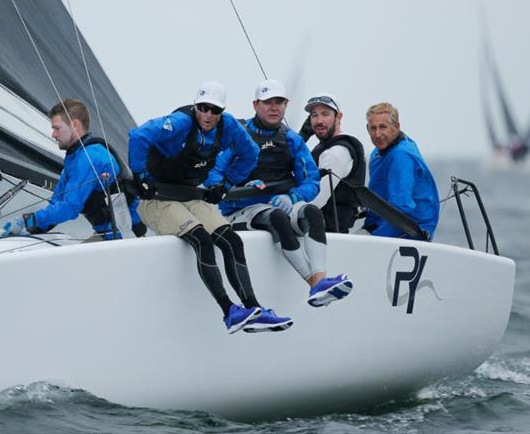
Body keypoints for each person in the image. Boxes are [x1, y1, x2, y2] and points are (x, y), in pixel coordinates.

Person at [128, 81, 292, 334]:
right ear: (196, 106)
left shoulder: (228, 127)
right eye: (203, 108)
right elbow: (137, 136)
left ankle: (254, 310)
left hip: (192, 195)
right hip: (157, 198)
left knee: (232, 241)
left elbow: (250, 153)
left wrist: (225, 184)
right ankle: (229, 312)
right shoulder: (180, 123)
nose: (208, 115)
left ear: (221, 111)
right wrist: (139, 176)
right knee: (202, 240)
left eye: (214, 110)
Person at [209, 80, 353, 308]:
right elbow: (213, 176)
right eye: (268, 102)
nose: (274, 107)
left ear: (286, 106)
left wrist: (293, 197)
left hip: (279, 205)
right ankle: (314, 284)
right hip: (240, 210)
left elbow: (312, 180)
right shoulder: (237, 136)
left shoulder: (291, 140)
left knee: (312, 212)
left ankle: (321, 281)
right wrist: (240, 184)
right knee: (278, 218)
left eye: (279, 102)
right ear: (256, 105)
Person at [1, 99, 147, 240]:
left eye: (57, 128)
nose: (53, 135)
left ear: (74, 125)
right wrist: (31, 229)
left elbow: (70, 207)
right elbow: (57, 204)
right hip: (108, 237)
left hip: (127, 239)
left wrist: (27, 220)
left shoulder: (91, 157)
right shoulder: (74, 158)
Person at [364, 102, 439, 239]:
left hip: (411, 231)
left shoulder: (401, 156)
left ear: (396, 127)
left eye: (383, 127)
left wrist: (374, 238)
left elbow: (401, 208)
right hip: (385, 222)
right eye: (373, 128)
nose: (377, 134)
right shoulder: (377, 153)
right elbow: (377, 199)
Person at [299, 94, 366, 233]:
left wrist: (284, 206)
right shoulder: (325, 146)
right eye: (314, 115)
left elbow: (316, 200)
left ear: (339, 117)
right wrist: (302, 136)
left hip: (327, 234)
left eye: (325, 114)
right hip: (323, 229)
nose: (319, 121)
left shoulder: (336, 152)